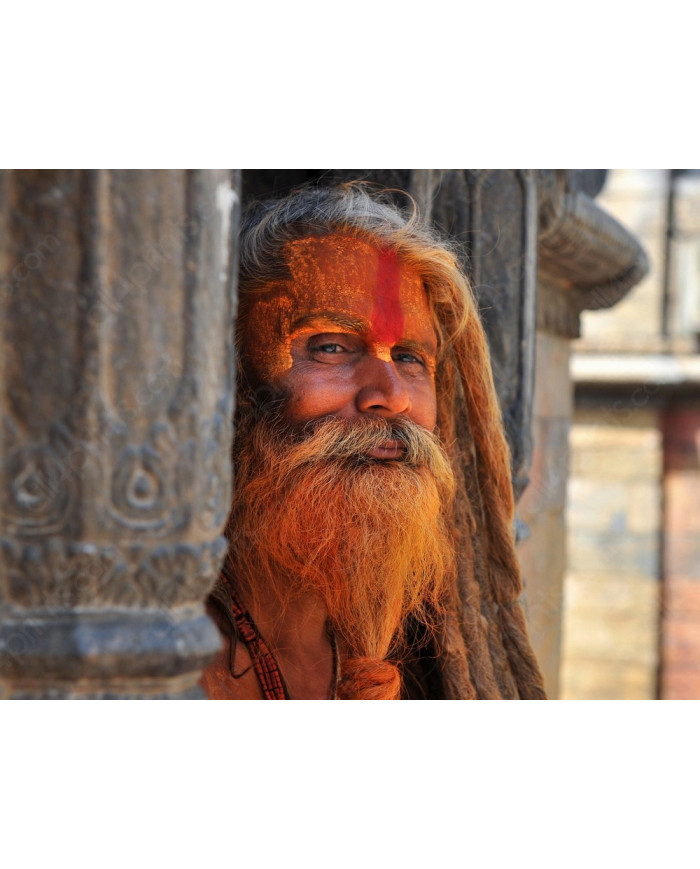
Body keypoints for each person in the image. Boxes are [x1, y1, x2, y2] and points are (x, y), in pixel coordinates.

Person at [200, 183, 546, 700]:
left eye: (410, 358)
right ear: (232, 378)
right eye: (332, 347)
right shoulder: (161, 644)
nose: (391, 396)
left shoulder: (432, 657)